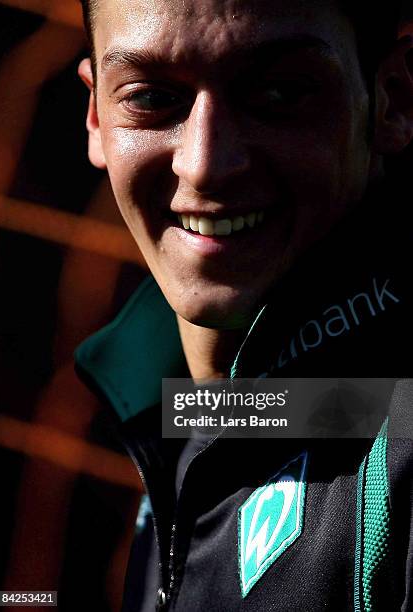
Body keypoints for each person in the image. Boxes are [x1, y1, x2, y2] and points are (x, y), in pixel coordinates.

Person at [75, 0, 413, 610]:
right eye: (152, 98)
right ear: (97, 114)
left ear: (394, 98)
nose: (204, 165)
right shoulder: (179, 399)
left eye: (280, 93)